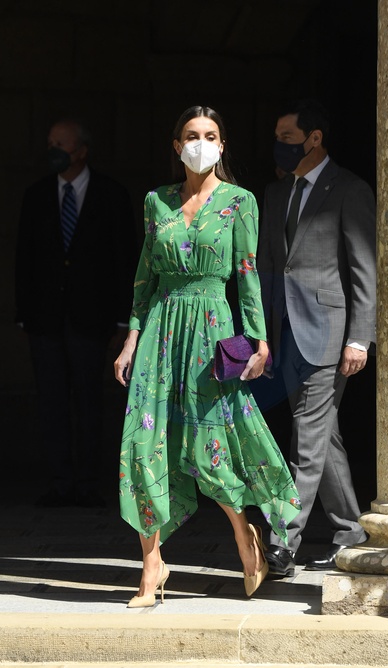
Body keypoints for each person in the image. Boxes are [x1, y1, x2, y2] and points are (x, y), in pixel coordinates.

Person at [114, 105, 301, 607]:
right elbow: (144, 277)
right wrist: (131, 338)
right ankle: (152, 565)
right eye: (192, 135)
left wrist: (259, 340)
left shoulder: (240, 201)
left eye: (211, 135)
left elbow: (247, 274)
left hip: (210, 330)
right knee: (144, 442)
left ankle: (244, 534)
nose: (202, 143)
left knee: (206, 445)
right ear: (178, 146)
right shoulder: (156, 200)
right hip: (160, 329)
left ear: (221, 144)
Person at [258, 98, 376, 575]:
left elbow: (363, 268)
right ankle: (351, 532)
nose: (279, 146)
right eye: (277, 138)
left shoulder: (349, 189)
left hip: (328, 334)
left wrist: (359, 338)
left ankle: (282, 542)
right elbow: (270, 267)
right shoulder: (276, 193)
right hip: (285, 334)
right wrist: (262, 336)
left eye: (287, 138)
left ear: (315, 139)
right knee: (323, 436)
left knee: (306, 438)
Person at [15, 118, 137, 507]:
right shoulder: (36, 195)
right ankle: (60, 482)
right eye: (50, 142)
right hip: (45, 319)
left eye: (61, 144)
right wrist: (24, 314)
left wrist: (123, 320)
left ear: (82, 150)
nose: (54, 150)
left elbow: (123, 259)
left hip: (92, 318)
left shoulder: (110, 194)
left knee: (89, 400)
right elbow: (24, 257)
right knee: (51, 401)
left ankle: (87, 483)